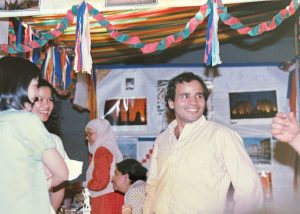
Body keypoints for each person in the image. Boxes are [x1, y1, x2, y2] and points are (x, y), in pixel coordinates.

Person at [143, 72, 263, 214]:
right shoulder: (162, 139)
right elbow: (152, 185)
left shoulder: (222, 136)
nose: (193, 102)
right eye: (185, 96)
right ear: (171, 102)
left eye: (199, 96)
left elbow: (249, 189)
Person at [0, 56, 68, 214]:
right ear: (20, 85)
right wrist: (40, 185)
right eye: (35, 85)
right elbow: (62, 173)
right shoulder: (27, 121)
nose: (37, 91)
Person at [31, 78, 69, 211]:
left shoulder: (54, 140)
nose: (46, 105)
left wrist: (50, 210)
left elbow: (59, 187)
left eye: (50, 100)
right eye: (40, 99)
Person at [84, 118, 124, 214]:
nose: (87, 137)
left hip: (105, 201)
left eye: (90, 133)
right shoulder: (111, 148)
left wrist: (82, 185)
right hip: (113, 198)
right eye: (86, 134)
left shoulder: (102, 151)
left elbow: (100, 182)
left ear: (100, 133)